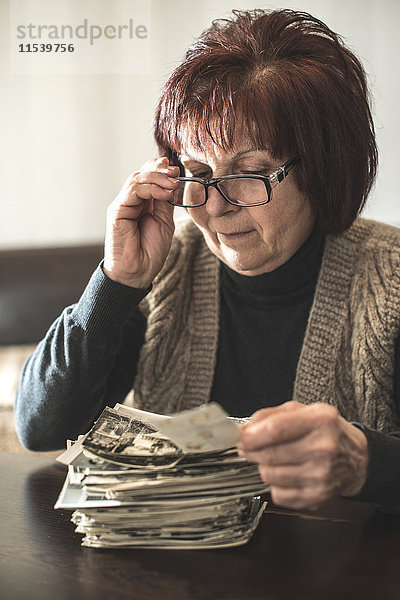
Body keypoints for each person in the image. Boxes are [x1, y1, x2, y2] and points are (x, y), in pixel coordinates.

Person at [15, 8, 400, 512]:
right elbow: (41, 428)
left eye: (250, 172)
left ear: (324, 169)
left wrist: (364, 461)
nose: (214, 206)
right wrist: (116, 282)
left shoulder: (389, 279)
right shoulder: (166, 264)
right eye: (198, 171)